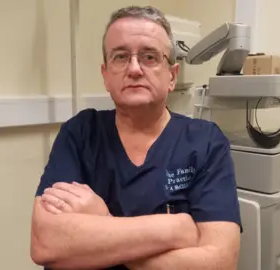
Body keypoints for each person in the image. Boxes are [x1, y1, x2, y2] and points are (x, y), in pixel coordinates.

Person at [30, 5, 242, 270]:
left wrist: (103, 221)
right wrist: (172, 229)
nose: (134, 69)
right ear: (105, 76)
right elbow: (46, 243)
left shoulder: (205, 143)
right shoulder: (80, 133)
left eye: (149, 57)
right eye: (120, 57)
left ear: (172, 76)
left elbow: (219, 263)